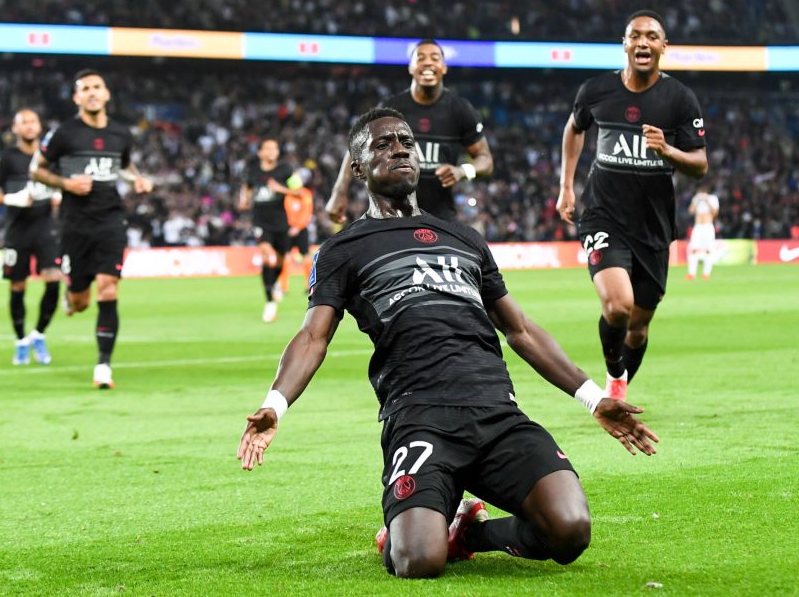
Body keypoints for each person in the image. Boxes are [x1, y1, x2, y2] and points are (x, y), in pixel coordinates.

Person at [238, 108, 659, 579]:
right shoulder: (344, 250)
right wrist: (275, 403)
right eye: (382, 143)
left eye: (405, 140)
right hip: (420, 419)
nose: (399, 148)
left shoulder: (464, 239)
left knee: (570, 529)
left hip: (497, 414)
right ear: (356, 167)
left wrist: (593, 398)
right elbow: (313, 336)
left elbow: (519, 329)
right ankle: (416, 527)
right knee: (418, 561)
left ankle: (467, 534)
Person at [557, 10, 708, 400]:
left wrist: (667, 149)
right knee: (618, 307)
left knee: (638, 327)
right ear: (625, 44)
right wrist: (567, 187)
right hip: (603, 216)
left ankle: (618, 388)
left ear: (663, 47)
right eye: (635, 36)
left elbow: (700, 165)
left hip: (653, 227)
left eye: (652, 37)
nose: (643, 43)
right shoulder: (596, 91)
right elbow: (575, 128)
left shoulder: (679, 99)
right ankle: (614, 374)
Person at [31, 69, 153, 389]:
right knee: (81, 300)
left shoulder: (120, 134)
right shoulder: (63, 134)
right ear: (77, 98)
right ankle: (71, 298)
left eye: (97, 87)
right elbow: (37, 169)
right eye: (85, 88)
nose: (92, 92)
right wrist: (65, 183)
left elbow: (123, 166)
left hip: (111, 219)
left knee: (108, 287)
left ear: (107, 93)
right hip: (74, 224)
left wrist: (136, 179)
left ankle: (103, 367)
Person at [325, 39, 493, 223]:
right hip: (391, 215)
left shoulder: (460, 110)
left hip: (440, 218)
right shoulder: (392, 108)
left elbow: (486, 161)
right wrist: (339, 191)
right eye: (420, 58)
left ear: (443, 68)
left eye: (435, 58)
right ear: (411, 67)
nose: (428, 62)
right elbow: (355, 149)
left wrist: (462, 171)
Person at [0, 109, 62, 366]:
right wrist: (10, 198)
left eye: (32, 121)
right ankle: (20, 340)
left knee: (53, 280)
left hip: (46, 228)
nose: (29, 126)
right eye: (23, 122)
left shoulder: (50, 159)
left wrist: (60, 196)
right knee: (18, 287)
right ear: (14, 129)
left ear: (39, 126)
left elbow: (63, 185)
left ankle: (38, 334)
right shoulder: (6, 159)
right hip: (17, 231)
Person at [238, 139, 303, 322]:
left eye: (275, 147)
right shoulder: (252, 169)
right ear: (259, 152)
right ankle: (269, 302)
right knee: (268, 256)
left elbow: (299, 191)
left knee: (281, 259)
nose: (272, 151)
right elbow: (247, 187)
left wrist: (279, 188)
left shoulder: (286, 169)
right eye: (268, 148)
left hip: (280, 221)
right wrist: (244, 199)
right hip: (260, 221)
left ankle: (273, 284)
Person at [278, 181, 314, 295]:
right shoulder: (288, 196)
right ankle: (283, 287)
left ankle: (309, 285)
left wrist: (297, 227)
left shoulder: (306, 194)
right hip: (288, 229)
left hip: (301, 229)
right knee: (285, 257)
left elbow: (307, 213)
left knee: (306, 257)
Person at [686, 187, 720, 280]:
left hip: (708, 227)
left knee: (708, 250)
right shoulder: (696, 198)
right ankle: (691, 274)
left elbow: (715, 213)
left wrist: (707, 200)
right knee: (693, 250)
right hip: (698, 227)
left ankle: (706, 274)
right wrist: (697, 200)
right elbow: (690, 211)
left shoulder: (713, 198)